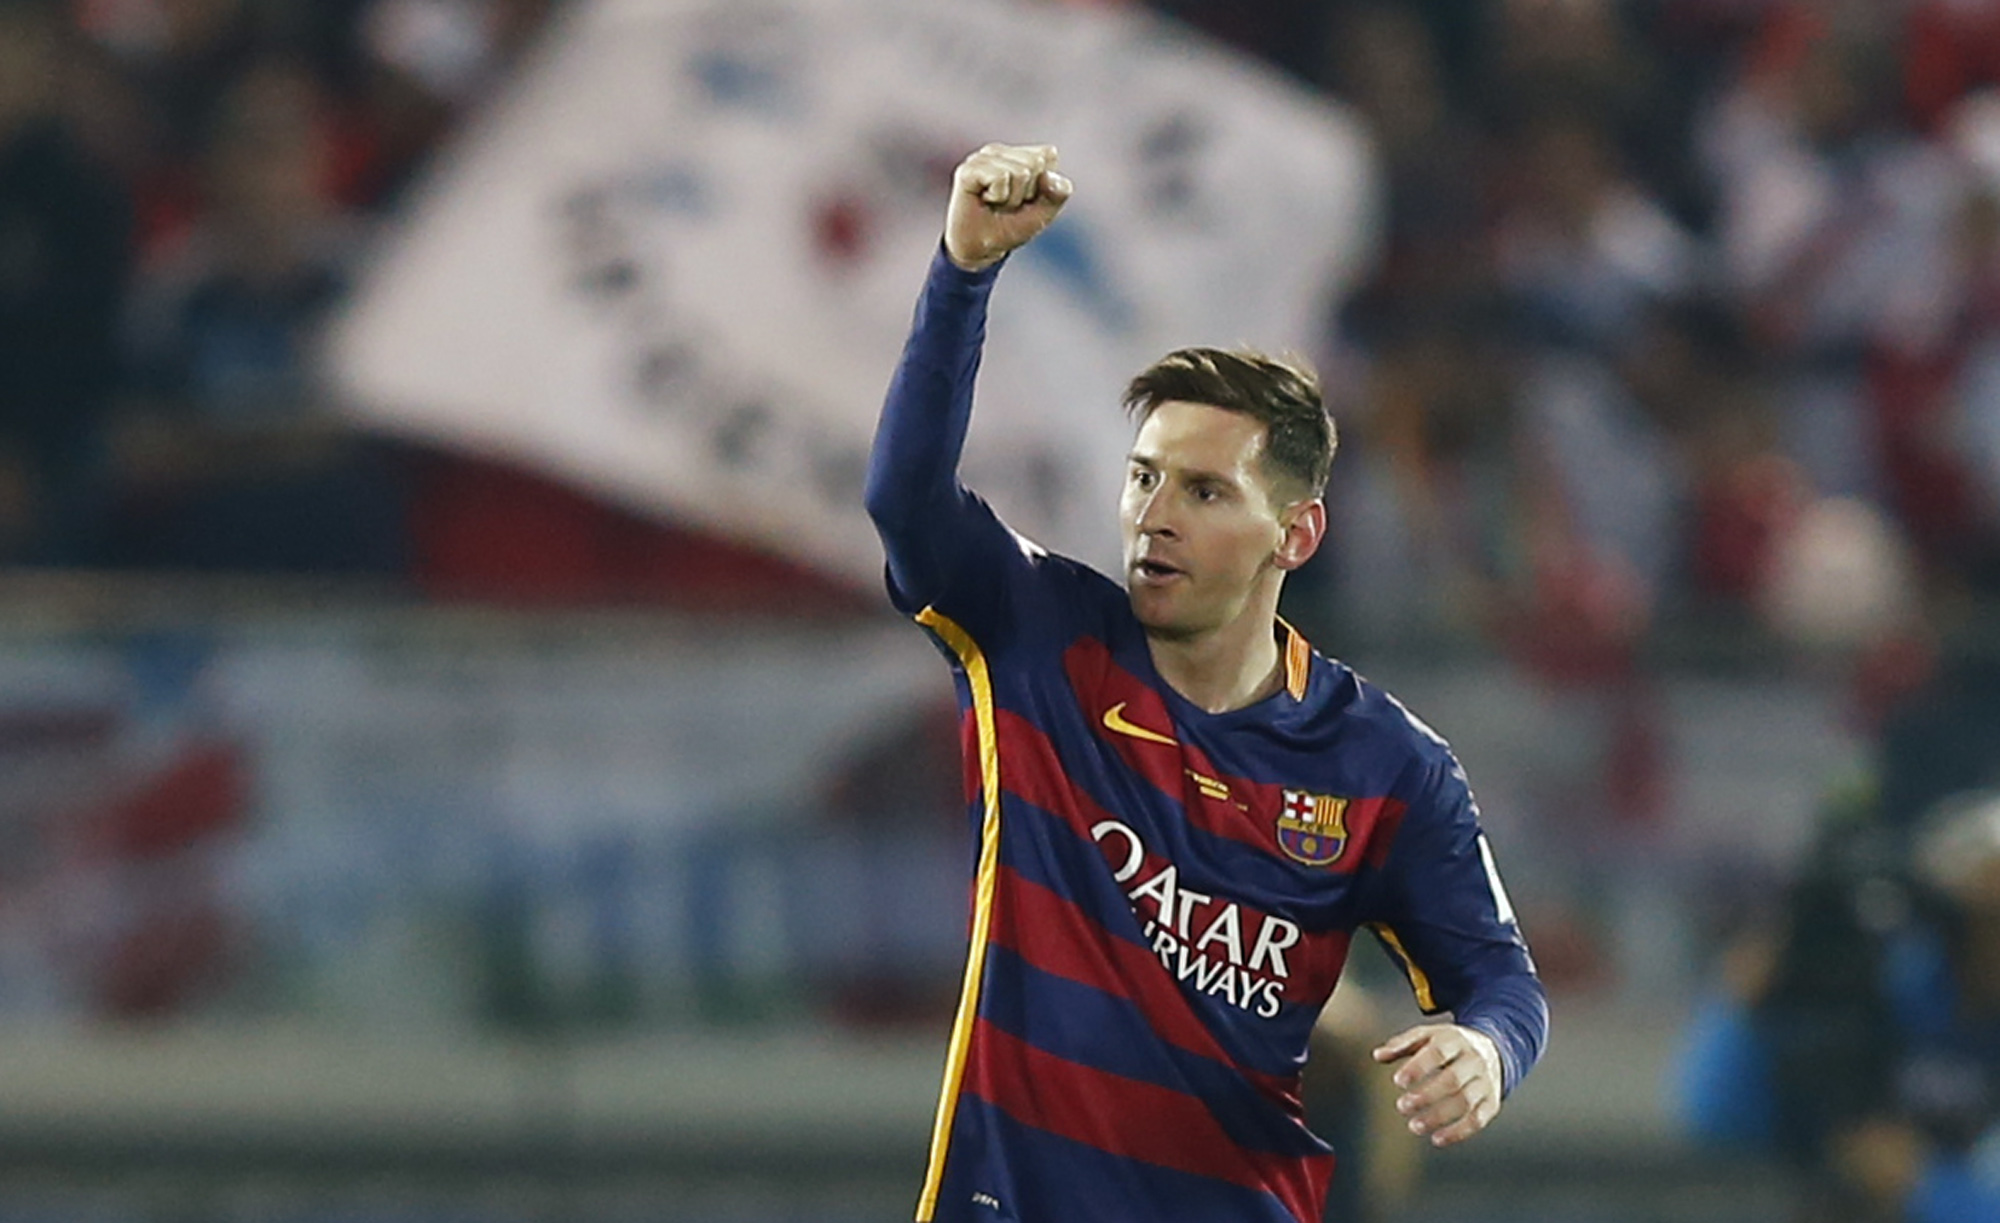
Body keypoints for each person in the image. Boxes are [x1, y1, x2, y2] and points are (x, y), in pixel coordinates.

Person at [865, 143, 1548, 1223]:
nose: (1152, 513)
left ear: (1296, 530)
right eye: (1141, 477)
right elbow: (905, 498)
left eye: (1201, 489)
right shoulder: (1037, 636)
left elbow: (1500, 981)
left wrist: (1481, 1048)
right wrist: (961, 271)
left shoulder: (1384, 763)